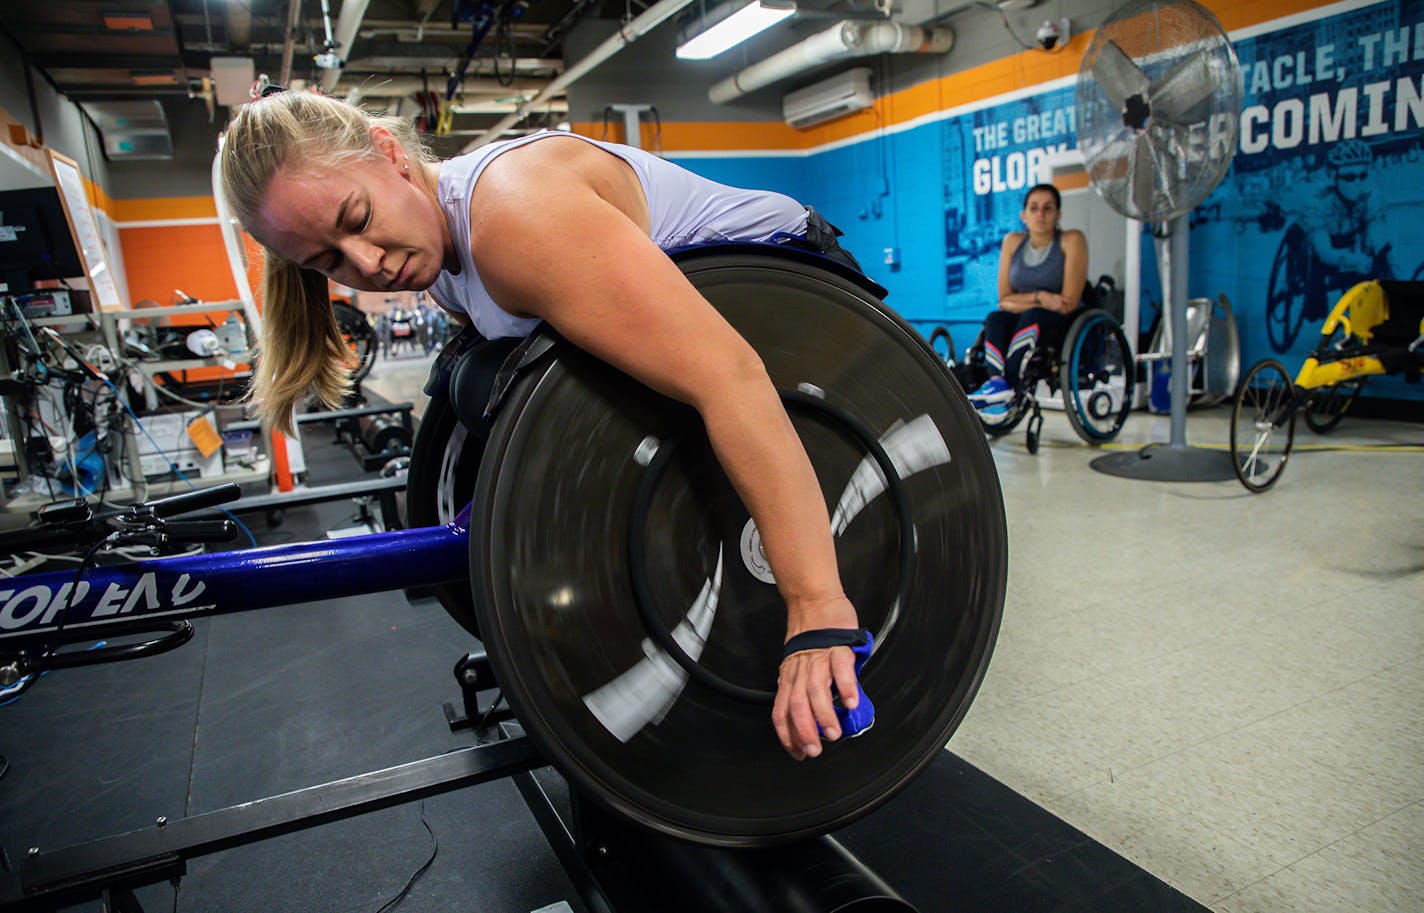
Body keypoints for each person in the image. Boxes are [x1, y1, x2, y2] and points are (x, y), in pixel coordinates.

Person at [219, 89, 864, 762]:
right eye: (331, 261)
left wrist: (816, 604)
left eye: (358, 217)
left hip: (805, 312)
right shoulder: (434, 256)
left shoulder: (511, 220)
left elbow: (730, 378)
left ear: (389, 153)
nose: (369, 263)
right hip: (742, 343)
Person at [967, 183, 1088, 414]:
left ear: (1058, 214)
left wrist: (1023, 302)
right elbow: (1004, 299)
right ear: (1024, 215)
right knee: (995, 318)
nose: (1040, 214)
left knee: (1032, 315)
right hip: (1026, 315)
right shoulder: (1013, 242)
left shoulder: (1071, 240)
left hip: (1061, 321)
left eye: (1047, 208)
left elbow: (1067, 302)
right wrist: (1041, 297)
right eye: (1034, 208)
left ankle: (1010, 385)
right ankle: (996, 383)